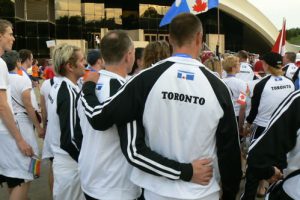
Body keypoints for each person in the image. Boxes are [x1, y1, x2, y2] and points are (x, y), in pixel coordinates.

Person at [81, 13, 241, 200]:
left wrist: (89, 87)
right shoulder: (218, 86)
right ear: (200, 38)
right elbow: (230, 150)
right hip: (202, 191)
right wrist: (229, 193)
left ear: (169, 39)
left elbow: (100, 119)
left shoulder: (144, 80)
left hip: (158, 192)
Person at [77, 30, 141, 200]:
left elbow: (79, 132)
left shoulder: (87, 85)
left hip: (90, 179)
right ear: (128, 56)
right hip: (117, 186)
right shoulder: (127, 90)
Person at [241, 52, 295, 199]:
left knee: (253, 166)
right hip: (281, 130)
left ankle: (249, 196)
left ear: (266, 65)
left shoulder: (261, 84)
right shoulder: (289, 82)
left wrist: (246, 125)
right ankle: (266, 190)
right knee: (276, 164)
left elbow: (253, 111)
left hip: (262, 130)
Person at [0, 19, 34, 200]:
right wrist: (20, 139)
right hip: (6, 132)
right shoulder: (1, 64)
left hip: (4, 132)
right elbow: (2, 105)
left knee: (13, 178)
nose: (13, 38)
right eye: (10, 34)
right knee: (23, 176)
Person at [246, 90, 300, 199]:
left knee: (257, 162)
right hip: (275, 127)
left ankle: (252, 193)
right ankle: (261, 188)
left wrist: (247, 122)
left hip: (293, 191)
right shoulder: (289, 83)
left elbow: (256, 158)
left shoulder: (297, 99)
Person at [47, 44, 85, 200]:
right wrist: (86, 161)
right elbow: (69, 139)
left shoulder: (61, 86)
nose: (85, 64)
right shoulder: (67, 92)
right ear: (70, 66)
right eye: (82, 60)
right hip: (70, 165)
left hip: (65, 163)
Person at [222, 55, 248, 135]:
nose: (240, 65)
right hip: (235, 117)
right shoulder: (241, 83)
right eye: (238, 64)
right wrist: (240, 126)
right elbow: (242, 106)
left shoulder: (221, 81)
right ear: (233, 68)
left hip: (223, 116)